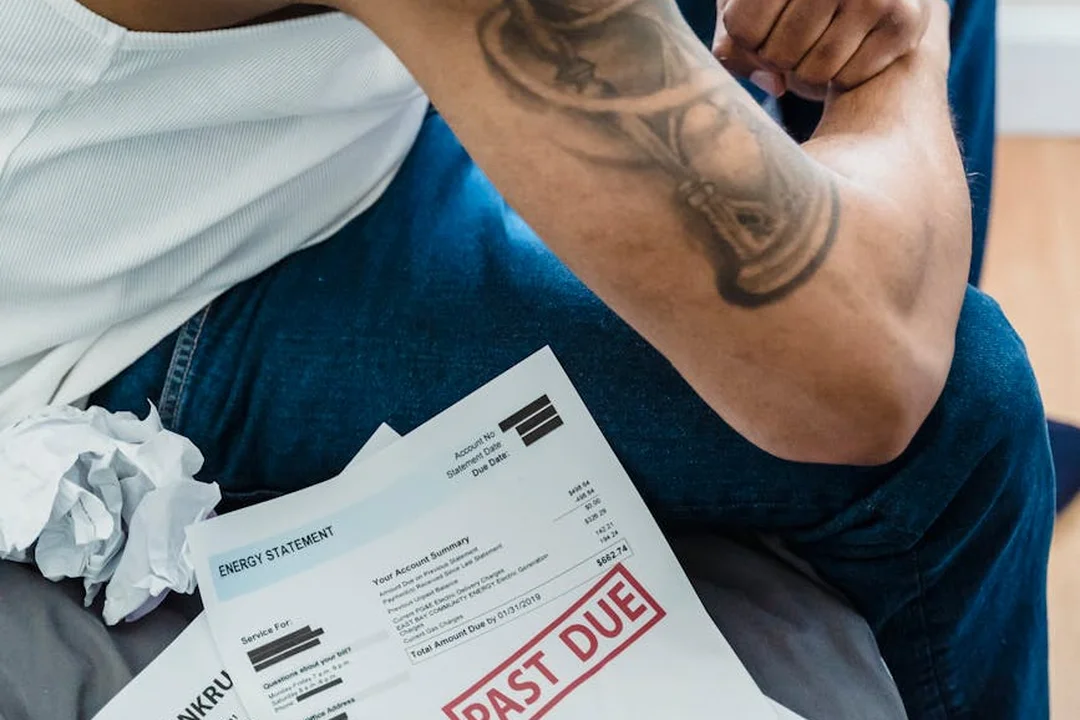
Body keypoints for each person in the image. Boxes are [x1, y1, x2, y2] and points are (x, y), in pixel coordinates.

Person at [0, 0, 1051, 718]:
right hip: (138, 304)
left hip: (300, 121)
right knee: (963, 413)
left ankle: (941, 580)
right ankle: (940, 552)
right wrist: (896, 59)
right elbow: (869, 374)